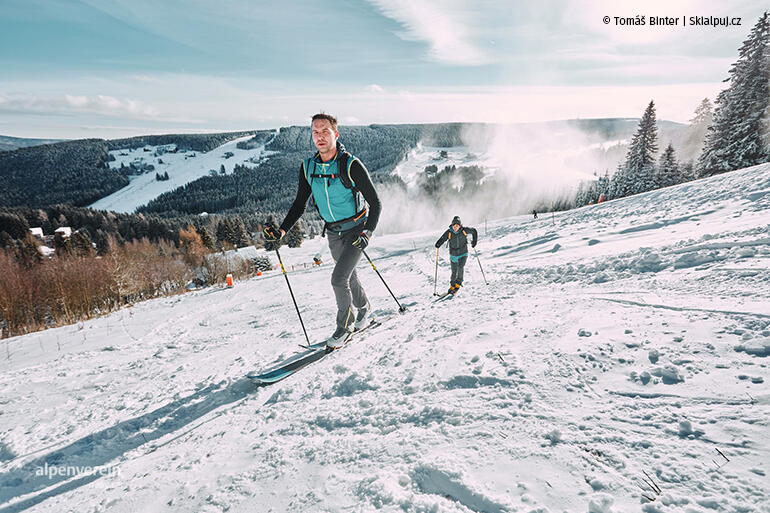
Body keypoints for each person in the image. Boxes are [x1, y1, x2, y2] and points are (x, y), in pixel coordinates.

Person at [263, 113, 381, 349]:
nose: (320, 136)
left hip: (357, 230)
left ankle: (344, 327)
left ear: (335, 134)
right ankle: (365, 308)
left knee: (338, 279)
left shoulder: (350, 165)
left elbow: (376, 203)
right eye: (315, 132)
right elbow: (299, 204)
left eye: (325, 131)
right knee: (348, 275)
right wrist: (282, 232)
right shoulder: (308, 167)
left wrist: (367, 233)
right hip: (334, 233)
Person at [434, 216, 478, 295]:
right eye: (454, 226)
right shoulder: (449, 232)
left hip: (463, 253)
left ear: (460, 226)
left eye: (457, 226)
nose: (455, 227)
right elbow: (443, 238)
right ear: (452, 225)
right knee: (454, 271)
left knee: (460, 267)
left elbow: (474, 231)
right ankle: (452, 285)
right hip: (453, 255)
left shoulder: (464, 230)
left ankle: (458, 283)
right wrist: (438, 244)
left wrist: (474, 242)